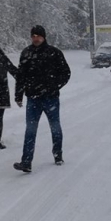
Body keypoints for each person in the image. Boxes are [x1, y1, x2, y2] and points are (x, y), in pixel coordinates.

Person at [13, 25, 72, 173]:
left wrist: (54, 86)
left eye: (38, 36)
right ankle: (26, 162)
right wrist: (18, 94)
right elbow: (21, 76)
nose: (35, 38)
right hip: (32, 99)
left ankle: (58, 155)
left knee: (55, 127)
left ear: (44, 37)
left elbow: (66, 73)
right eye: (33, 36)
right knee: (30, 130)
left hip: (50, 98)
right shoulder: (26, 53)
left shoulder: (54, 53)